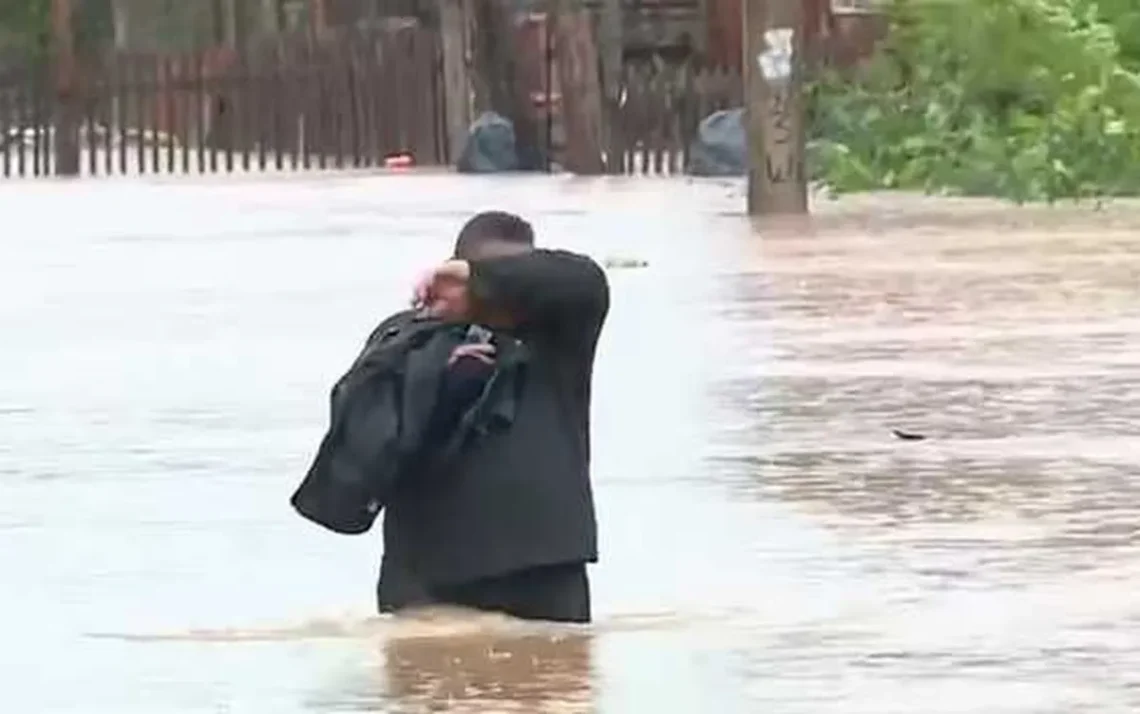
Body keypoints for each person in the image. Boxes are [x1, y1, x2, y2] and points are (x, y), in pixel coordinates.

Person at [376, 210, 610, 624]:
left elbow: (586, 279)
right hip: (426, 574)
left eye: (513, 275)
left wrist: (481, 279)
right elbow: (366, 435)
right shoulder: (405, 336)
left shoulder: (561, 333)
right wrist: (441, 378)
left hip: (542, 571)